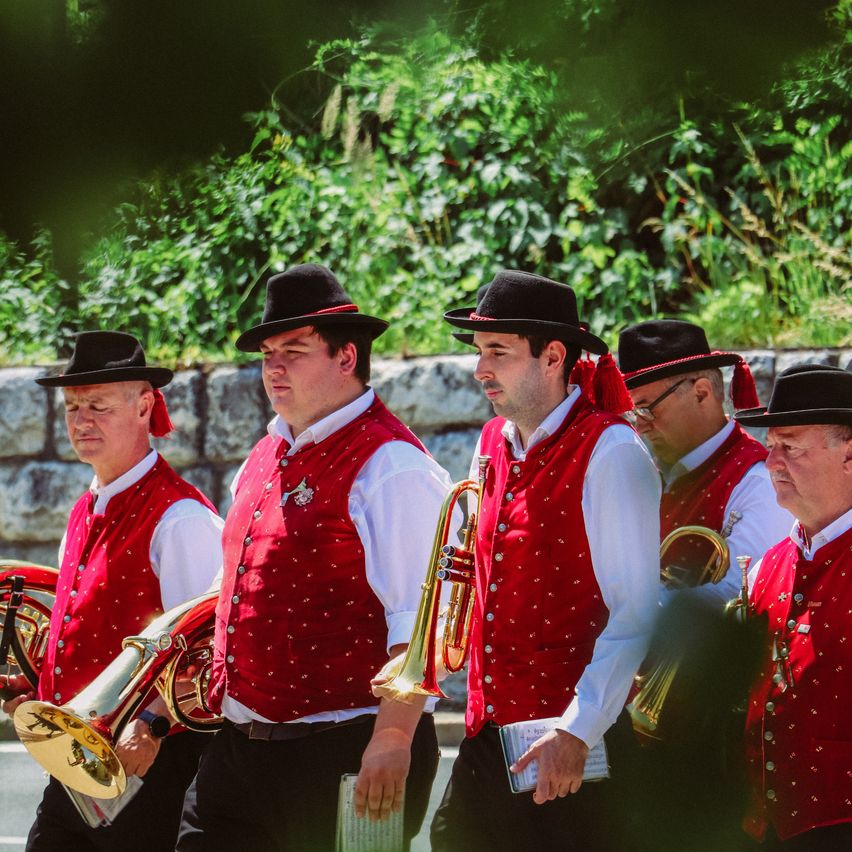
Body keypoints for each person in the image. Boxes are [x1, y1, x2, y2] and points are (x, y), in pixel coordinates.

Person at [176, 264, 451, 852]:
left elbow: (424, 620)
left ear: (347, 357)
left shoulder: (393, 466)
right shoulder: (265, 452)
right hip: (239, 749)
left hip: (344, 748)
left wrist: (393, 738)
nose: (273, 368)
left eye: (294, 352)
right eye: (267, 354)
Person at [431, 270, 661, 852]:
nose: (480, 369)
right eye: (479, 351)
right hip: (488, 735)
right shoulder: (491, 442)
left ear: (553, 356)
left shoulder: (612, 451)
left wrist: (577, 731)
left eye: (498, 352)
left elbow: (635, 612)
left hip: (571, 745)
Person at [2, 330, 224, 852]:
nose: (81, 421)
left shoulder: (181, 518)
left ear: (144, 406)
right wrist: (35, 687)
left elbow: (207, 648)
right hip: (77, 758)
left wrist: (153, 723)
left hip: (149, 764)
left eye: (98, 406)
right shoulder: (85, 508)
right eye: (72, 407)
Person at [734, 364, 852, 851]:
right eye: (771, 446)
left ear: (849, 456)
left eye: (791, 447)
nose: (772, 463)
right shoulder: (766, 566)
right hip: (766, 831)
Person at [618, 320, 793, 606]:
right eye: (634, 413)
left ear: (701, 393)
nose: (640, 426)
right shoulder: (653, 471)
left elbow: (736, 593)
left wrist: (622, 607)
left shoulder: (757, 483)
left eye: (647, 409)